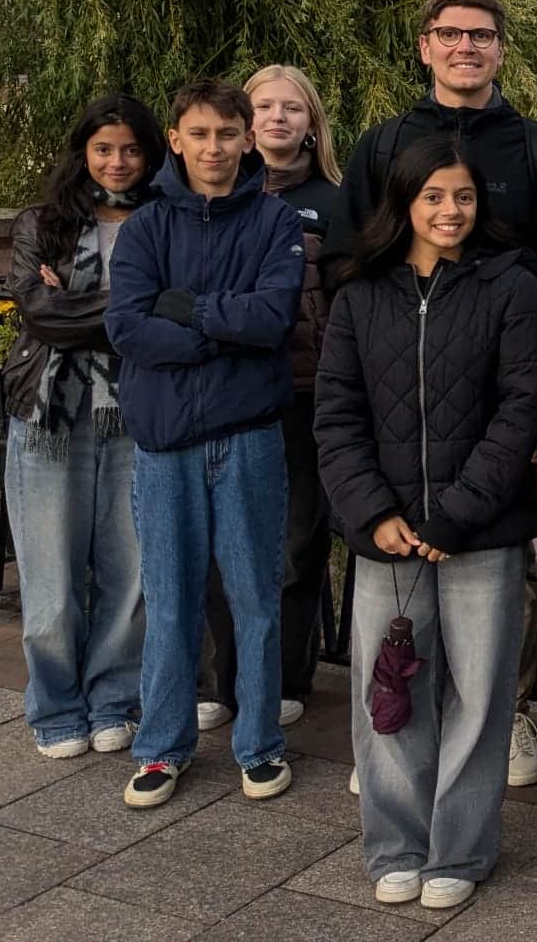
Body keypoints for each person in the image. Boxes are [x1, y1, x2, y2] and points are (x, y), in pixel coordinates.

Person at [338, 0, 537, 787]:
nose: (465, 47)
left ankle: (503, 715)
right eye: (450, 34)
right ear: (425, 46)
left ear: (501, 49)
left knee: (498, 589)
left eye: (481, 35)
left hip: (501, 386)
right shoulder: (382, 145)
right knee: (397, 577)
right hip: (402, 390)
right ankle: (399, 720)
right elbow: (357, 265)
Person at [315, 136, 537, 911]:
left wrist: (454, 512)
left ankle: (460, 847)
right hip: (386, 540)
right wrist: (373, 513)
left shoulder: (511, 288)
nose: (450, 212)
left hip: (478, 532)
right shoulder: (360, 293)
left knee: (479, 698)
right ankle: (394, 843)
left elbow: (521, 411)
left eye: (464, 198)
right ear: (404, 204)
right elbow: (337, 414)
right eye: (434, 197)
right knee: (391, 696)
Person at [105, 79, 304, 809]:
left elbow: (273, 318)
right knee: (171, 599)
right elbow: (127, 327)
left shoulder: (276, 220)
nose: (214, 148)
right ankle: (162, 749)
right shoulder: (146, 229)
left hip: (247, 438)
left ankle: (258, 745)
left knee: (254, 599)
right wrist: (219, 331)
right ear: (177, 140)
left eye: (227, 133)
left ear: (247, 138)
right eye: (200, 134)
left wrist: (188, 314)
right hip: (165, 445)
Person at [1, 94, 167, 759]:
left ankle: (112, 699)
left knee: (131, 574)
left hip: (138, 412)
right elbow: (42, 316)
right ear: (83, 152)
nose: (118, 161)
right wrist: (131, 306)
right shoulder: (41, 223)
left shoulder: (164, 221)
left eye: (130, 149)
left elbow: (176, 308)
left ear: (150, 153)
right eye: (104, 149)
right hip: (49, 417)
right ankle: (55, 707)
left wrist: (82, 300)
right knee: (50, 574)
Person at [199, 65, 346, 734]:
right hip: (229, 386)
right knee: (221, 541)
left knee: (297, 542)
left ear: (312, 123)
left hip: (306, 392)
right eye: (265, 106)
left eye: (293, 107)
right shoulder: (215, 197)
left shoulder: (338, 201)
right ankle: (217, 681)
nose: (279, 118)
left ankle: (287, 676)